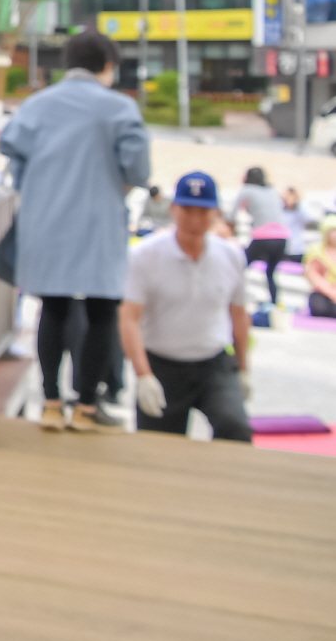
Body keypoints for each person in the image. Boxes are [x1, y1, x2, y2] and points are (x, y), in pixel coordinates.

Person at [0, 30, 150, 432]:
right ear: (106, 65)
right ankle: (85, 407)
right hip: (99, 224)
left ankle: (49, 403)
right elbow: (138, 169)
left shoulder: (37, 105)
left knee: (53, 309)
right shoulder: (120, 109)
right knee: (102, 312)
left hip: (46, 220)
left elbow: (11, 149)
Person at [121, 171, 254, 443]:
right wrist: (143, 374)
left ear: (215, 213)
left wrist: (243, 367)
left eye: (203, 212)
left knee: (235, 428)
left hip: (213, 364)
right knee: (158, 449)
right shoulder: (145, 255)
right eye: (187, 210)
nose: (195, 220)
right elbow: (128, 317)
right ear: (173, 209)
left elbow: (239, 314)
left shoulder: (230, 255)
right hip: (163, 364)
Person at [233, 167, 289, 305]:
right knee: (271, 273)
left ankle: (233, 298)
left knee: (238, 266)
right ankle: (275, 304)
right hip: (282, 237)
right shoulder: (272, 191)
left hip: (263, 237)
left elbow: (232, 214)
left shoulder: (247, 190)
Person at [304, 217, 336, 319]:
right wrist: (331, 292)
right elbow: (313, 275)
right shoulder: (316, 252)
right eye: (332, 231)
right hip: (322, 291)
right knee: (319, 308)